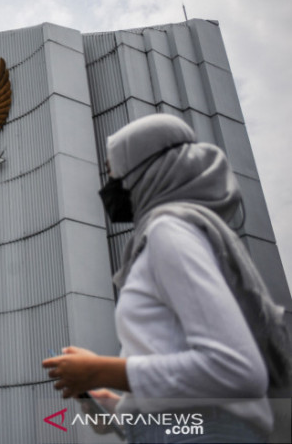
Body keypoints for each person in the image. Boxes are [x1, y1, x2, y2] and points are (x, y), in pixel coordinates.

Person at [42, 114, 291, 443]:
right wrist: (117, 405)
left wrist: (99, 369)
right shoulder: (181, 230)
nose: (109, 183)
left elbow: (237, 369)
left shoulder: (167, 229)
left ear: (147, 170)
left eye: (113, 170)